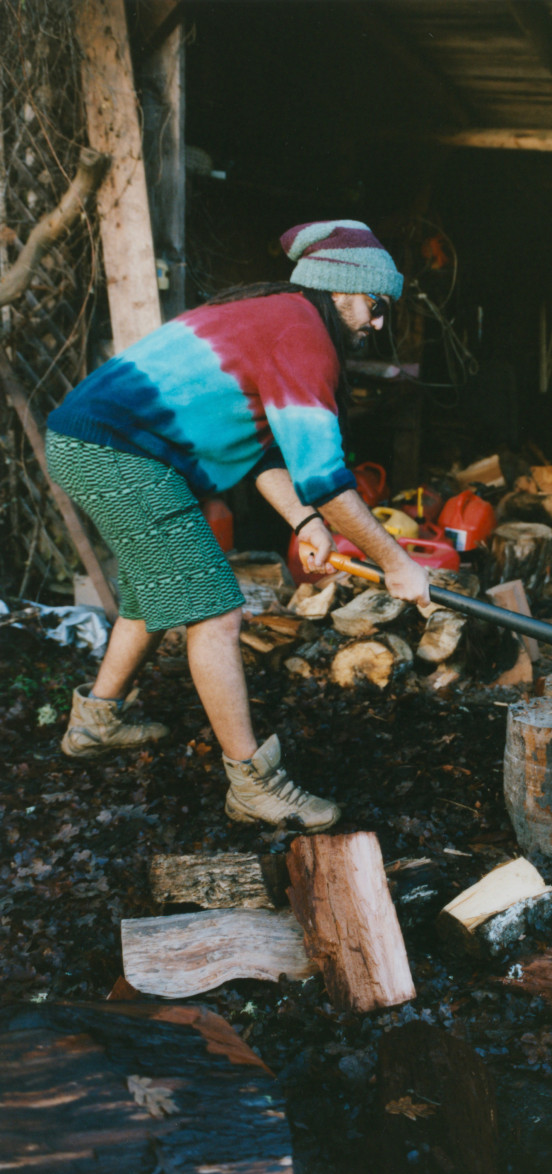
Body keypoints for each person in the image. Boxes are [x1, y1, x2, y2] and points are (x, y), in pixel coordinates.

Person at [45, 219, 430, 832]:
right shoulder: (303, 337)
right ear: (340, 288)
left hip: (95, 444)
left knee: (152, 594)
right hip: (118, 454)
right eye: (377, 306)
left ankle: (96, 723)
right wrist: (397, 563)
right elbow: (329, 480)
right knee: (216, 614)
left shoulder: (278, 316)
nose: (379, 324)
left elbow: (262, 453)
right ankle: (253, 782)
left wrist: (303, 519)